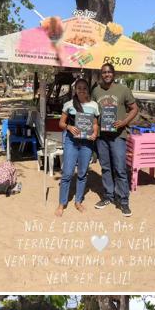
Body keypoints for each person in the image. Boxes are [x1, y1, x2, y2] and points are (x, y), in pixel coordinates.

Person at [92, 64, 139, 217]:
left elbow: (134, 109)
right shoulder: (96, 91)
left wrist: (124, 122)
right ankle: (108, 196)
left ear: (114, 73)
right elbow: (92, 111)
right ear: (101, 74)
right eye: (104, 72)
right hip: (102, 137)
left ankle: (123, 200)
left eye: (109, 72)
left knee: (119, 168)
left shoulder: (123, 90)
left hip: (118, 136)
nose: (107, 74)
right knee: (105, 167)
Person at [56, 78, 99, 216]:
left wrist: (95, 134)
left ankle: (78, 201)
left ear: (88, 90)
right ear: (75, 89)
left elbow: (95, 124)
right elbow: (61, 123)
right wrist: (69, 127)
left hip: (86, 143)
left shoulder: (94, 106)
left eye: (84, 88)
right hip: (71, 142)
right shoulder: (69, 104)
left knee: (82, 173)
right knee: (67, 173)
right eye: (79, 88)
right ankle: (62, 203)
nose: (81, 90)